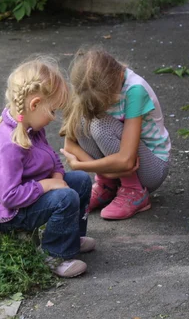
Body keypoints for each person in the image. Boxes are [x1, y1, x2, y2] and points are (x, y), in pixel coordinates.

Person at [0, 57, 94, 278]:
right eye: (53, 111)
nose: (53, 118)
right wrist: (47, 185)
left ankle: (71, 237)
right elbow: (9, 197)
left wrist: (57, 174)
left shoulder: (30, 125)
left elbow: (50, 157)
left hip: (27, 192)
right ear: (35, 104)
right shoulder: (8, 146)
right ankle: (54, 255)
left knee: (81, 181)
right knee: (66, 198)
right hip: (9, 214)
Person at [59, 47, 170, 220]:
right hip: (119, 166)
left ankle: (134, 191)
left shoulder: (135, 90)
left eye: (109, 101)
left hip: (151, 168)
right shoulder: (87, 85)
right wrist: (107, 174)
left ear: (119, 76)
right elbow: (69, 144)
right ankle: (108, 186)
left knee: (99, 124)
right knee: (83, 119)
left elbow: (126, 161)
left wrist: (82, 166)